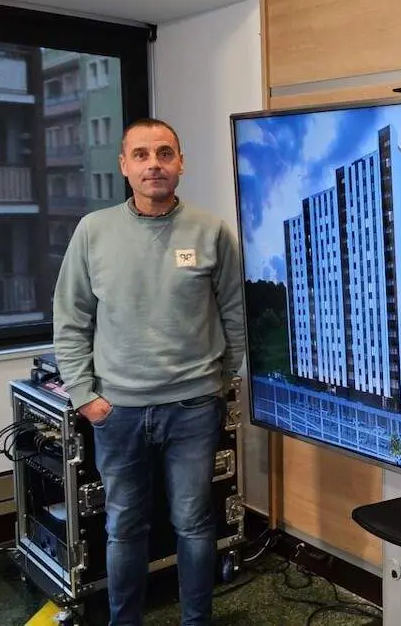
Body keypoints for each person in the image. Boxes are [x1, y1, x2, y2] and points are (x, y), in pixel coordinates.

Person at [53, 117, 247, 625]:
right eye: (141, 155)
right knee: (124, 528)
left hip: (193, 410)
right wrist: (83, 395)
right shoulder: (93, 232)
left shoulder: (211, 232)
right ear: (124, 166)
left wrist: (223, 383)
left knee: (194, 522)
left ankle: (196, 621)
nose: (153, 164)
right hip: (117, 412)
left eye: (164, 153)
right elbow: (70, 319)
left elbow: (235, 315)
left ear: (181, 162)